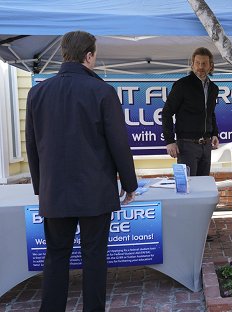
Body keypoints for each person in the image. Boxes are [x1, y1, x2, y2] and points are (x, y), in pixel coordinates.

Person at [26, 30, 138, 311]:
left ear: (65, 54)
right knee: (94, 257)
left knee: (56, 256)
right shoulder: (102, 91)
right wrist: (130, 183)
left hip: (55, 192)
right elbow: (118, 143)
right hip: (94, 192)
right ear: (89, 56)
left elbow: (32, 145)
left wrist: (41, 188)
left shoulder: (37, 92)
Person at [162, 47, 219, 176]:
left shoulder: (214, 88)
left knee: (203, 187)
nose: (200, 67)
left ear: (210, 66)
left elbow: (211, 113)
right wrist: (169, 141)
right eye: (197, 63)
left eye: (204, 63)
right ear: (192, 65)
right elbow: (166, 113)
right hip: (186, 146)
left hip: (206, 145)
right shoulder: (182, 85)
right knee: (187, 189)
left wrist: (215, 133)